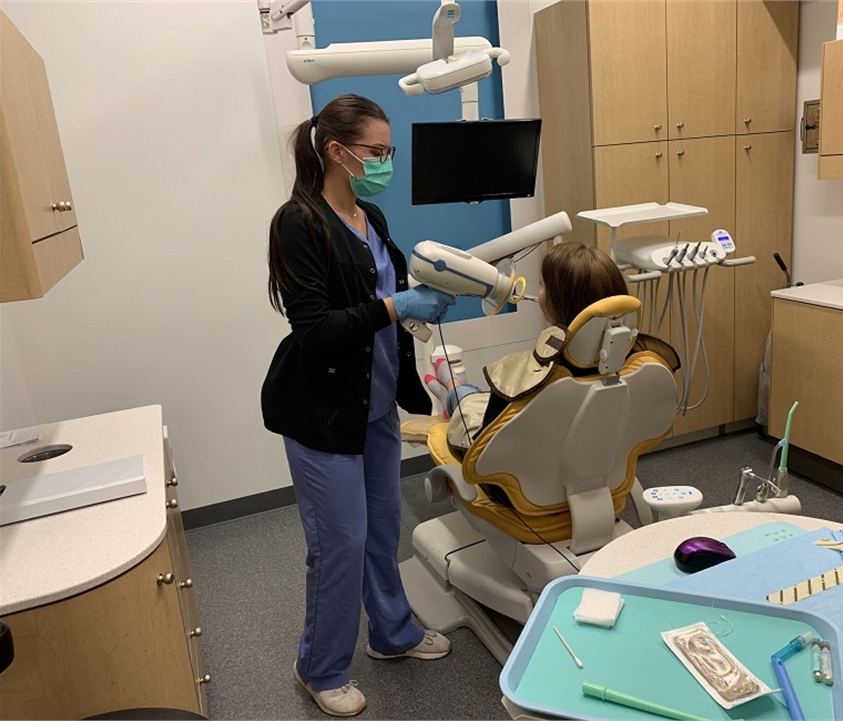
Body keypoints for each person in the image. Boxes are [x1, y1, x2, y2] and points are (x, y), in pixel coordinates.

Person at [261, 94, 457, 718]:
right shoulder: (299, 222)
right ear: (338, 152)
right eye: (377, 152)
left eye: (389, 151)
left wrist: (418, 302)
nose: (385, 161)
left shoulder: (369, 215)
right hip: (321, 414)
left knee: (380, 531)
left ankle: (392, 633)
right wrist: (398, 307)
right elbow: (314, 329)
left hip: (373, 404)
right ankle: (318, 667)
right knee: (338, 544)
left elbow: (382, 297)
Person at [425, 241, 676, 454]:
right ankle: (449, 383)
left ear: (559, 301)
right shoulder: (632, 361)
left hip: (516, 484)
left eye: (543, 285)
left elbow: (484, 439)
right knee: (477, 396)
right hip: (597, 468)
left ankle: (449, 385)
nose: (538, 292)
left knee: (467, 398)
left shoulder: (534, 372)